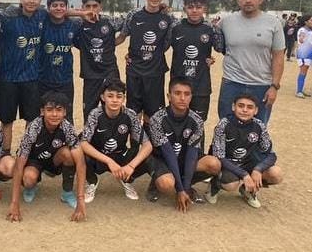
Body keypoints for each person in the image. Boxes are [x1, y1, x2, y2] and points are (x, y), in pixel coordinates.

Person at [6, 91, 86, 222]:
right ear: (42, 111)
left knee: (69, 154)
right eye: (49, 110)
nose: (54, 114)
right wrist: (14, 203)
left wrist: (81, 200)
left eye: (59, 110)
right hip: (34, 161)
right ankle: (31, 186)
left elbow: (81, 163)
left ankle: (67, 192)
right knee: (28, 178)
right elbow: (19, 164)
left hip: (54, 160)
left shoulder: (67, 127)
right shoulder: (34, 128)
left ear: (65, 112)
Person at [149, 77, 221, 212]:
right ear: (169, 96)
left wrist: (185, 188)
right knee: (166, 184)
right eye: (177, 93)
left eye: (187, 94)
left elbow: (192, 155)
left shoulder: (197, 120)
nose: (182, 98)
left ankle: (187, 185)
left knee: (214, 164)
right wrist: (179, 190)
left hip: (184, 159)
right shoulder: (157, 119)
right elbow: (168, 154)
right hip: (164, 160)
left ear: (191, 97)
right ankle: (157, 183)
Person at [217, 0, 285, 125]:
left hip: (261, 85)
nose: (248, 0)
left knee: (257, 130)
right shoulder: (226, 22)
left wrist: (274, 86)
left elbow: (278, 56)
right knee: (226, 127)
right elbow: (209, 40)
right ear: (238, 0)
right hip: (232, 83)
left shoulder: (273, 23)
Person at [79, 78, 153, 202]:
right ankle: (92, 181)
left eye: (119, 96)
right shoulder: (95, 114)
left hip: (120, 156)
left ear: (123, 99)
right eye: (110, 96)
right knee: (78, 150)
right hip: (98, 158)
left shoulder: (130, 115)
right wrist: (109, 161)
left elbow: (147, 145)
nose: (114, 100)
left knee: (146, 155)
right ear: (103, 97)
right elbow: (84, 143)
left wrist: (131, 165)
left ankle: (126, 179)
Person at [116, 0, 174, 131]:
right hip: (134, 71)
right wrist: (105, 47)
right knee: (134, 112)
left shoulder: (168, 19)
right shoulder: (133, 15)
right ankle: (135, 147)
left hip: (155, 72)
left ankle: (151, 149)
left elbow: (167, 44)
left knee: (154, 114)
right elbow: (122, 36)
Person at [167, 0, 224, 148]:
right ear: (185, 8)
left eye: (198, 7)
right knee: (176, 121)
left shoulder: (210, 29)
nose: (194, 10)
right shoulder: (175, 27)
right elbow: (160, 46)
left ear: (204, 9)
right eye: (190, 7)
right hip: (179, 86)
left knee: (198, 123)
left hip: (201, 86)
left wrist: (211, 58)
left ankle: (197, 158)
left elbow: (221, 48)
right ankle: (175, 154)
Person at [207, 93, 283, 208]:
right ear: (233, 107)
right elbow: (219, 157)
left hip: (248, 163)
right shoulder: (223, 125)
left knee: (276, 174)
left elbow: (271, 155)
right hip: (228, 165)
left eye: (249, 107)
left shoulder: (259, 126)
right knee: (231, 185)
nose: (244, 110)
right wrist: (244, 175)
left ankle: (247, 190)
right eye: (241, 106)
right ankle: (214, 185)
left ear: (256, 110)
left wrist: (258, 169)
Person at [0, 0, 46, 153]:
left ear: (40, 0)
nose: (31, 1)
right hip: (7, 79)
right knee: (7, 120)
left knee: (32, 120)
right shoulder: (7, 18)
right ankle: (5, 154)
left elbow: (62, 11)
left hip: (32, 79)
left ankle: (26, 153)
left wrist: (83, 12)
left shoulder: (42, 16)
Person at [75, 0, 122, 121]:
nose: (91, 10)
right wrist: (79, 14)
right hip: (90, 75)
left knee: (113, 110)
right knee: (89, 113)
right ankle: (89, 140)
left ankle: (112, 139)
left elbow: (131, 24)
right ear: (82, 7)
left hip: (110, 73)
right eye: (87, 6)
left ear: (100, 7)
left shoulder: (110, 22)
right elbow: (59, 14)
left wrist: (112, 45)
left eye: (95, 6)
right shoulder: (78, 24)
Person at [38, 0, 81, 121]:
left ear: (66, 8)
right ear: (48, 8)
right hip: (43, 79)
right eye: (54, 5)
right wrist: (82, 13)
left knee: (66, 116)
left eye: (62, 5)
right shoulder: (42, 23)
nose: (58, 8)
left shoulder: (73, 25)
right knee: (42, 115)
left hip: (65, 79)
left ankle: (68, 141)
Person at [295, 14, 312, 98]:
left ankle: (301, 90)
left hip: (309, 54)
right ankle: (299, 91)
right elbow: (301, 40)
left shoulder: (310, 30)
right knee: (303, 71)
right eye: (311, 20)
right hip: (303, 54)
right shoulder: (302, 30)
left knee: (305, 72)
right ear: (306, 22)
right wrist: (301, 38)